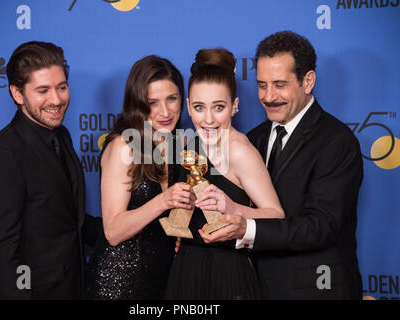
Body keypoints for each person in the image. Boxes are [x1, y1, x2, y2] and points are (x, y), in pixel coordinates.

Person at [201, 31, 364, 299]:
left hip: (316, 290)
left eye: (279, 84)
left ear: (308, 81)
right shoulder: (254, 138)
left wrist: (247, 228)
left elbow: (320, 226)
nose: (268, 96)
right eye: (262, 85)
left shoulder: (337, 141)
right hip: (255, 288)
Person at [0, 41, 102, 299]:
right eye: (43, 90)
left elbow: (68, 221)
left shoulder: (61, 135)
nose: (57, 100)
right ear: (18, 94)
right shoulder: (3, 156)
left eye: (62, 87)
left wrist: (134, 227)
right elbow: (3, 256)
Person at [165, 48, 284, 300]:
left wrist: (233, 208)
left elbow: (276, 216)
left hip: (228, 273)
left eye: (218, 107)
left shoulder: (240, 151)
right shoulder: (188, 146)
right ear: (188, 106)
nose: (208, 119)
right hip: (186, 269)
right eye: (199, 107)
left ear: (234, 106)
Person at [84, 55, 194, 299]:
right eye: (153, 102)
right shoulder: (123, 146)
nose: (165, 111)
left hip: (161, 280)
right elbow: (113, 231)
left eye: (172, 99)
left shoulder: (180, 144)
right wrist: (164, 201)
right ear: (137, 104)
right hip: (117, 284)